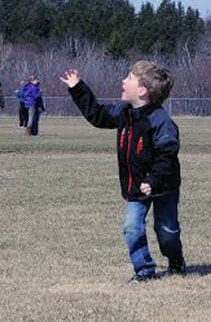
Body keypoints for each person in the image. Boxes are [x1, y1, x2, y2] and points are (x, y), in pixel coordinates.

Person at [60, 60, 185, 283]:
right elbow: (97, 115)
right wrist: (77, 87)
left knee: (167, 231)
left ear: (143, 91)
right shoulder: (124, 113)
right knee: (131, 227)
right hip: (136, 185)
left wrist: (154, 180)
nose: (123, 81)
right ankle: (144, 270)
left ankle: (176, 260)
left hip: (163, 185)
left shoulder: (161, 121)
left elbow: (167, 155)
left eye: (128, 78)